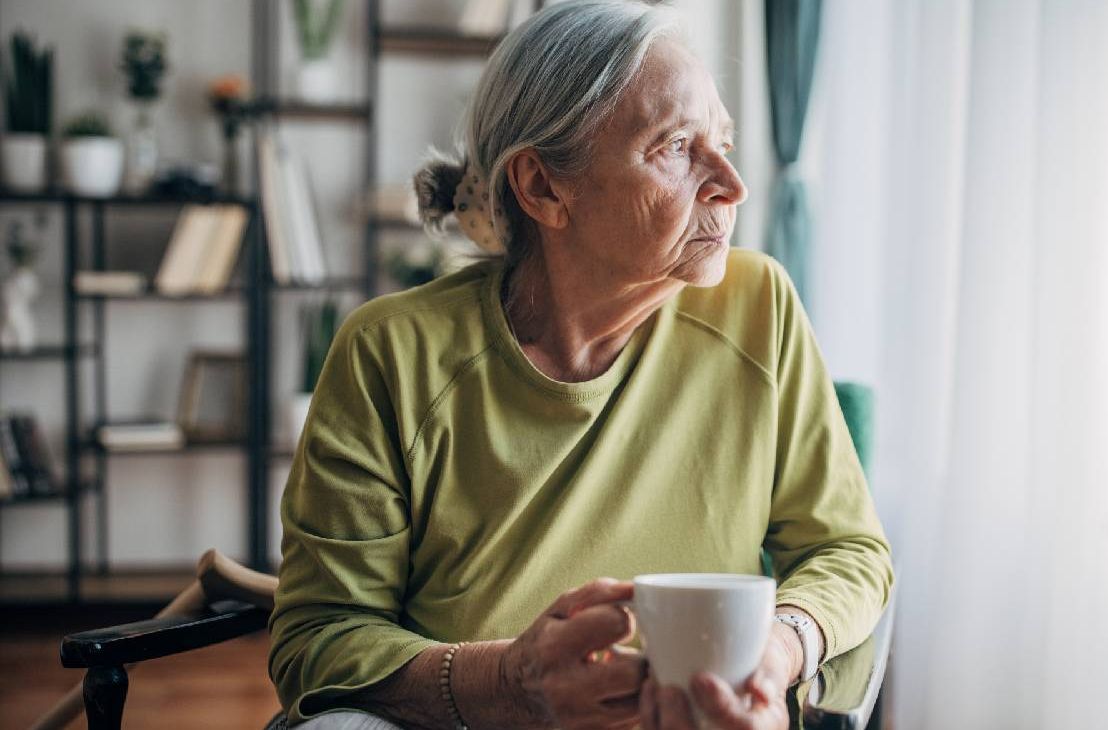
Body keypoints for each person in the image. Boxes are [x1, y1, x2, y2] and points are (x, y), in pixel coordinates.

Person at [268, 2, 893, 728]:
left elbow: (848, 551)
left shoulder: (761, 309)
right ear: (542, 188)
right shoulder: (392, 353)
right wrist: (509, 681)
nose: (731, 182)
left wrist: (780, 649)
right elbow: (318, 640)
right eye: (676, 146)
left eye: (721, 140)